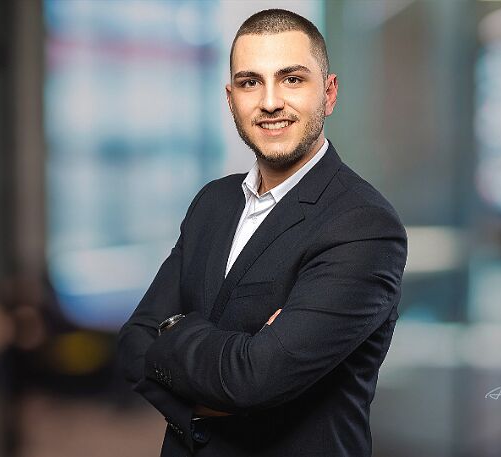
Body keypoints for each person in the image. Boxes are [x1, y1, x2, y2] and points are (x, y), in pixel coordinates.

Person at [117, 9, 407, 457]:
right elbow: (134, 341)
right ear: (231, 98)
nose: (270, 102)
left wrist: (172, 333)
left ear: (329, 93)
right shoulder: (212, 202)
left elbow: (253, 380)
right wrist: (229, 371)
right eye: (251, 82)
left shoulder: (364, 226)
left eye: (292, 79)